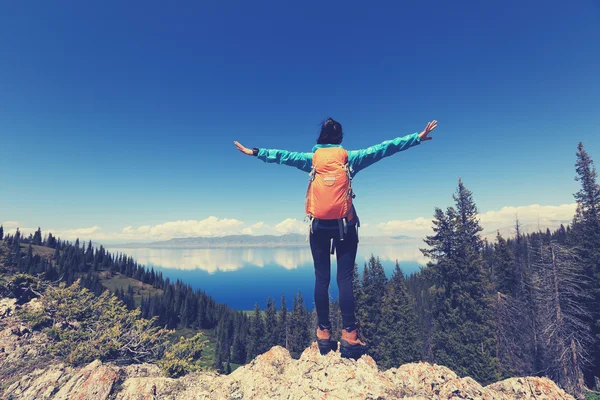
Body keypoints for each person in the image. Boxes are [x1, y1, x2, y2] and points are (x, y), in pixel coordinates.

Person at [234, 118, 438, 359]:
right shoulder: (350, 158)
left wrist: (255, 152)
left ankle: (323, 334)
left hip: (318, 227)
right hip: (345, 226)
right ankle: (350, 336)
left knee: (321, 280)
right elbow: (384, 148)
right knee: (344, 280)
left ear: (320, 138)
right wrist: (417, 137)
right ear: (340, 138)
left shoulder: (311, 160)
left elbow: (283, 155)